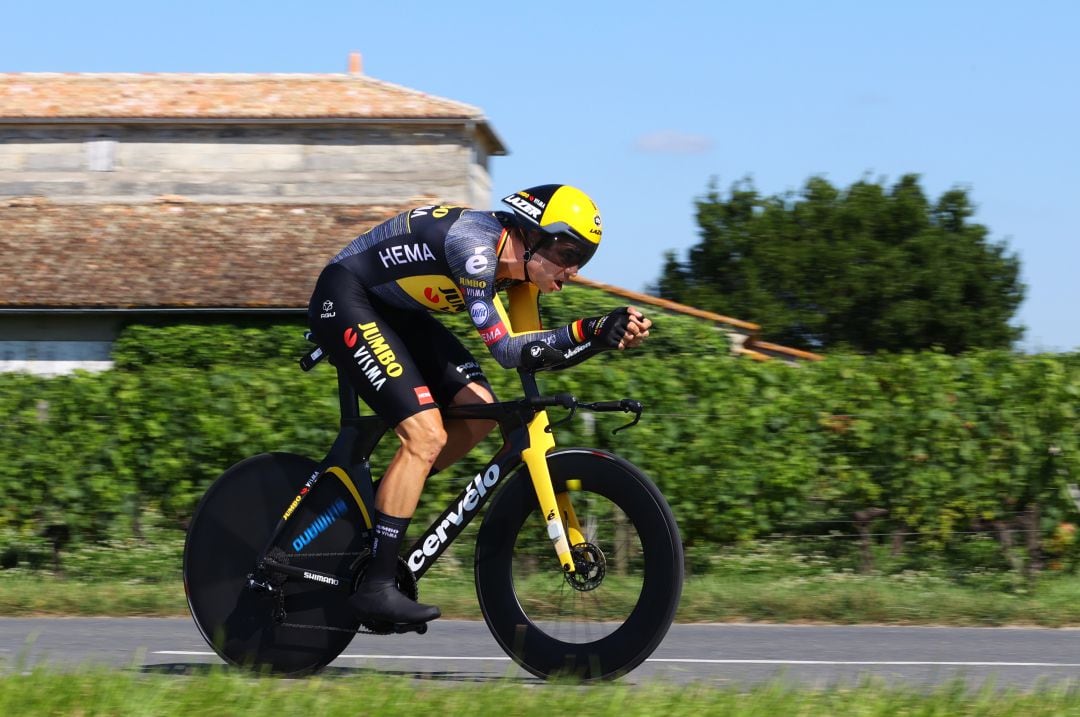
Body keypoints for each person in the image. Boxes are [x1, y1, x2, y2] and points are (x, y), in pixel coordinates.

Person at [307, 184, 652, 625]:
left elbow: (533, 358)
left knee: (479, 415)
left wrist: (604, 338)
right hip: (347, 297)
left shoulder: (521, 273)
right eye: (568, 254)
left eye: (582, 261)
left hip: (397, 312)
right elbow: (507, 350)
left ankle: (377, 516)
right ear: (533, 235)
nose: (573, 270)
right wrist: (590, 328)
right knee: (426, 434)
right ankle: (375, 585)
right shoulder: (475, 249)